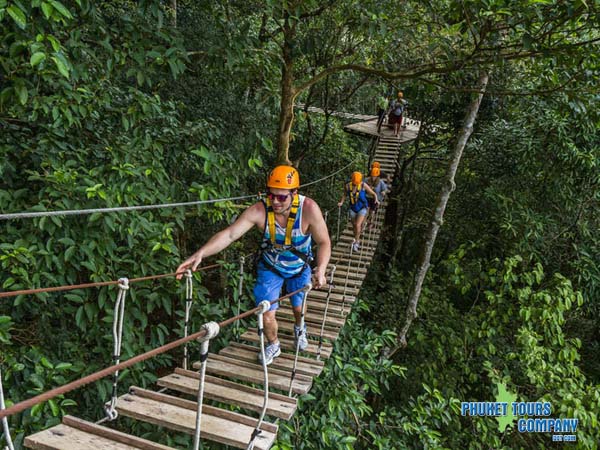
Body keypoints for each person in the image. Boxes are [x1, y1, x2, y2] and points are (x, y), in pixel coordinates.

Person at [176, 165, 331, 365]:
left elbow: (324, 242)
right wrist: (200, 254)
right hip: (271, 267)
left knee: (298, 308)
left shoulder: (309, 209)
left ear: (294, 193)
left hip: (299, 267)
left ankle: (299, 326)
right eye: (271, 195)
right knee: (265, 311)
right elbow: (230, 234)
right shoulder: (260, 210)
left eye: (281, 197)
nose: (274, 201)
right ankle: (273, 344)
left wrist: (322, 269)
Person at [337, 171, 379, 252]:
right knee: (354, 226)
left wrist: (376, 200)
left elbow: (373, 194)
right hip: (353, 208)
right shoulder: (348, 186)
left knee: (357, 224)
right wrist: (341, 202)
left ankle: (356, 242)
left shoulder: (363, 185)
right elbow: (345, 194)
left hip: (362, 207)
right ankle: (356, 238)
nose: (356, 184)